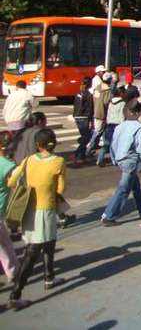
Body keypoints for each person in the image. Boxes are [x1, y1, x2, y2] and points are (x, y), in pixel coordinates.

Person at [7, 129, 65, 309]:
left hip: (29, 209)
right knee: (33, 252)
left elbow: (11, 181)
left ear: (38, 145)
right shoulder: (58, 162)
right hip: (46, 209)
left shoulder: (29, 160)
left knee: (47, 241)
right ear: (53, 144)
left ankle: (49, 276)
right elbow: (60, 189)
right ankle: (16, 293)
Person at [100, 100, 141, 226]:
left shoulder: (120, 126)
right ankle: (109, 215)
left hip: (120, 157)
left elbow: (113, 144)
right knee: (123, 188)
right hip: (130, 159)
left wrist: (114, 158)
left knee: (135, 186)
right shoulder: (139, 127)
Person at [0, 132, 19, 287]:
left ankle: (13, 270)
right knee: (5, 243)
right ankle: (13, 272)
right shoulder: (7, 165)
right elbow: (17, 183)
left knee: (4, 242)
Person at [99, 86, 126, 167]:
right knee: (115, 144)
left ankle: (99, 159)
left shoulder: (110, 102)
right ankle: (114, 160)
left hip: (109, 124)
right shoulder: (122, 103)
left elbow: (108, 114)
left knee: (107, 143)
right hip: (117, 125)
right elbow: (122, 115)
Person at [72, 79, 94, 163]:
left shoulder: (78, 94)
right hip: (84, 117)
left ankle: (82, 155)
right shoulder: (88, 95)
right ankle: (78, 154)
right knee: (86, 137)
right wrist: (91, 120)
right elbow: (90, 108)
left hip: (77, 116)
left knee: (84, 136)